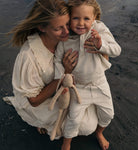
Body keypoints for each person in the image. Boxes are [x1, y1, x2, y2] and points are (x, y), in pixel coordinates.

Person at [3, 0, 99, 142]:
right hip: (38, 101)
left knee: (94, 111)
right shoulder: (29, 57)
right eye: (58, 28)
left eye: (67, 24)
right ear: (42, 27)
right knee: (87, 126)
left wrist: (99, 47)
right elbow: (34, 101)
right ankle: (38, 121)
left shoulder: (68, 35)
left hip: (62, 89)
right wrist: (65, 74)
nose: (67, 31)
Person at [54, 0, 121, 150]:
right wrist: (63, 81)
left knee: (108, 114)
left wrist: (101, 46)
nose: (81, 23)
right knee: (74, 119)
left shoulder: (99, 30)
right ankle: (67, 143)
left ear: (95, 18)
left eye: (86, 18)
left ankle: (99, 133)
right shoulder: (65, 40)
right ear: (69, 18)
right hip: (79, 88)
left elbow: (117, 50)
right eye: (75, 18)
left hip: (99, 83)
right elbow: (57, 61)